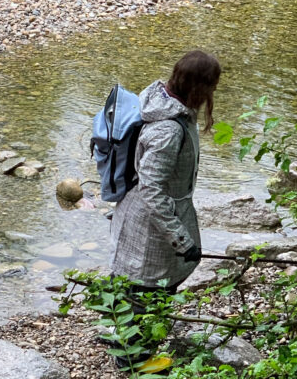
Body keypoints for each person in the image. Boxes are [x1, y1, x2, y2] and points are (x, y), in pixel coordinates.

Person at [109, 50, 221, 369]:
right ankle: (134, 360)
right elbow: (152, 189)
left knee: (136, 283)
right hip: (151, 225)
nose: (213, 94)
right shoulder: (168, 129)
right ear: (199, 88)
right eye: (211, 87)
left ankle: (123, 339)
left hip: (142, 214)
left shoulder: (162, 98)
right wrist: (180, 239)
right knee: (151, 287)